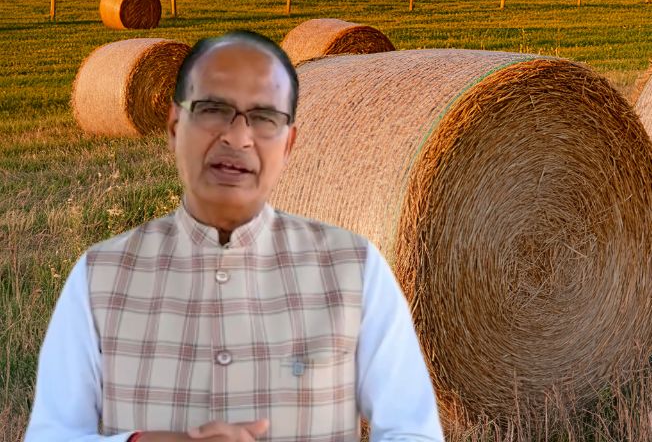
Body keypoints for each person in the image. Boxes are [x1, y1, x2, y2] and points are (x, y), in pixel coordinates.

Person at [24, 31, 444, 442]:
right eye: (212, 111)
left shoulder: (356, 269)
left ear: (289, 143)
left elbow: (412, 430)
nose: (237, 138)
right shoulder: (100, 276)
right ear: (174, 127)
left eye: (263, 119)